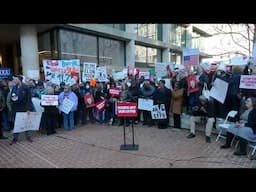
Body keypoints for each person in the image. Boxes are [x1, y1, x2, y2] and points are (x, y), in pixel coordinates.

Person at [10, 75, 34, 145]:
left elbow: (29, 99)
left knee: (26, 123)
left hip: (24, 108)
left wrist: (28, 109)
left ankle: (28, 137)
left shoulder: (26, 87)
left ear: (19, 80)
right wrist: (13, 99)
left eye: (15, 79)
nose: (14, 80)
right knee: (16, 124)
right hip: (16, 109)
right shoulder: (14, 87)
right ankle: (15, 138)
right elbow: (12, 96)